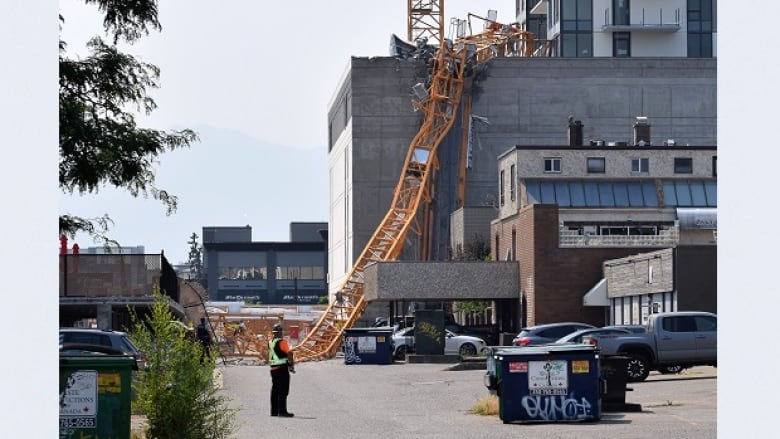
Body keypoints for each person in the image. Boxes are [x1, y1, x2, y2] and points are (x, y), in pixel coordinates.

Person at [268, 323, 295, 417]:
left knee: (275, 390)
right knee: (283, 390)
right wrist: (291, 365)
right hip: (282, 368)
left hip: (273, 368)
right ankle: (282, 411)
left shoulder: (271, 342)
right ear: (280, 332)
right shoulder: (282, 342)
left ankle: (274, 411)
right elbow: (289, 354)